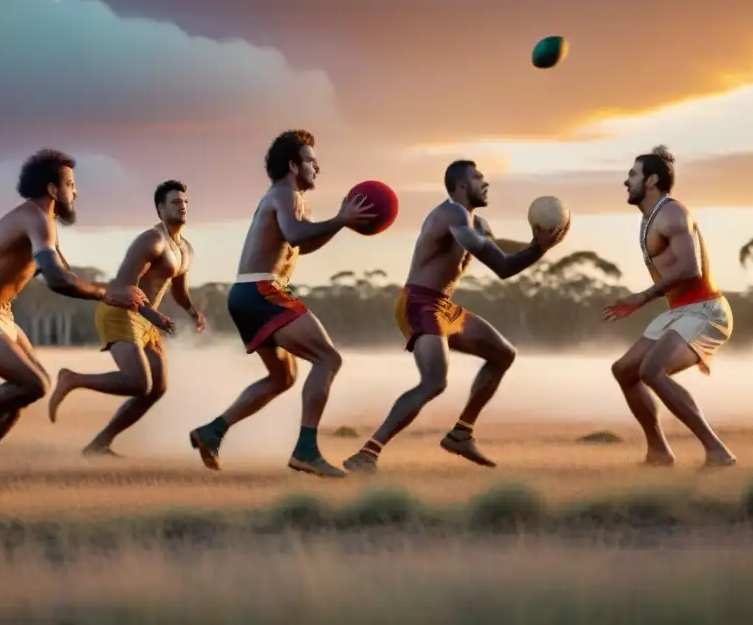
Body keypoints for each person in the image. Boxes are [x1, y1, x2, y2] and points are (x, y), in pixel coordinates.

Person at [0, 149, 158, 493]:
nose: (75, 191)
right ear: (53, 190)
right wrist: (106, 294)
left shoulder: (44, 223)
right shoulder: (34, 219)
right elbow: (56, 280)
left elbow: (66, 273)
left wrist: (118, 294)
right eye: (70, 184)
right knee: (34, 384)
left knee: (18, 398)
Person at [343, 160, 568, 474]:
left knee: (502, 354)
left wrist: (541, 244)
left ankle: (461, 433)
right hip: (419, 303)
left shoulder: (477, 223)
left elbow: (500, 248)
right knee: (434, 381)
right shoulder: (452, 214)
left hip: (442, 307)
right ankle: (367, 454)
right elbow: (502, 267)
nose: (485, 182)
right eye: (478, 178)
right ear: (461, 186)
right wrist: (539, 250)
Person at [188, 129, 375, 478]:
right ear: (293, 165)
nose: (317, 167)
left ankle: (212, 432)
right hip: (261, 291)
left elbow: (303, 242)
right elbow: (296, 234)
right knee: (328, 358)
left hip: (248, 293)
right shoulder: (284, 193)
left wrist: (339, 224)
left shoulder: (291, 198)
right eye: (310, 161)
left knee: (282, 377)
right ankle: (306, 451)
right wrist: (341, 219)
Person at [47, 179, 205, 456]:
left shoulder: (185, 249)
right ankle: (72, 379)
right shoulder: (151, 241)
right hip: (121, 311)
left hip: (147, 319)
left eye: (184, 202)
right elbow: (123, 287)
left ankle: (100, 445)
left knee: (156, 388)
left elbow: (179, 290)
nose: (182, 206)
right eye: (174, 202)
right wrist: (152, 314)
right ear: (159, 209)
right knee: (138, 382)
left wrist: (192, 312)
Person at [602, 145, 736, 468]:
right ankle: (659, 452)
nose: (626, 181)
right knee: (624, 371)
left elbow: (692, 269)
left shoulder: (673, 214)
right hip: (680, 313)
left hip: (706, 311)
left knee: (652, 370)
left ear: (650, 181)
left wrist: (642, 298)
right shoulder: (650, 219)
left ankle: (718, 452)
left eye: (632, 175)